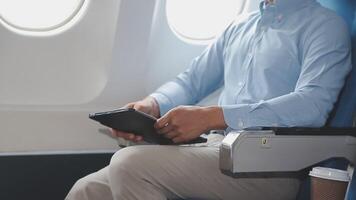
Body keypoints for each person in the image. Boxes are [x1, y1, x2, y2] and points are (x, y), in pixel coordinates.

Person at [66, 0, 352, 199]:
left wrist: (213, 116)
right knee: (87, 189)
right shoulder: (241, 26)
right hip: (215, 148)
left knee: (130, 165)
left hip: (267, 165)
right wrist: (152, 104)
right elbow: (191, 81)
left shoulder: (325, 26)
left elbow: (312, 105)